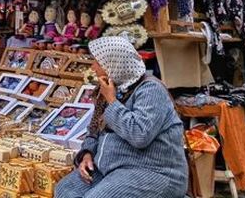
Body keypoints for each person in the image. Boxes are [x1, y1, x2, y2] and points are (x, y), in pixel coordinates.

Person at [56, 36, 188, 198]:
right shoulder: (112, 88)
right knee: (64, 190)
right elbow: (93, 131)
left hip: (153, 172)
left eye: (98, 62)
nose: (93, 67)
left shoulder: (151, 90)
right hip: (112, 168)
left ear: (114, 65)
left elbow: (139, 135)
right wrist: (87, 153)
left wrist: (112, 101)